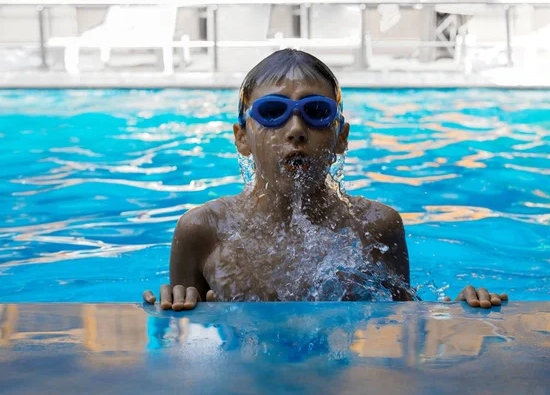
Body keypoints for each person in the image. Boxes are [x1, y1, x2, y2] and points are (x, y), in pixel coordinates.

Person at [142, 49, 508, 310]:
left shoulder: (377, 226)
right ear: (242, 138)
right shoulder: (203, 229)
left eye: (317, 113)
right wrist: (171, 303)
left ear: (341, 137)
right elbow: (182, 346)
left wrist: (456, 309)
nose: (296, 130)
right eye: (273, 112)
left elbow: (404, 326)